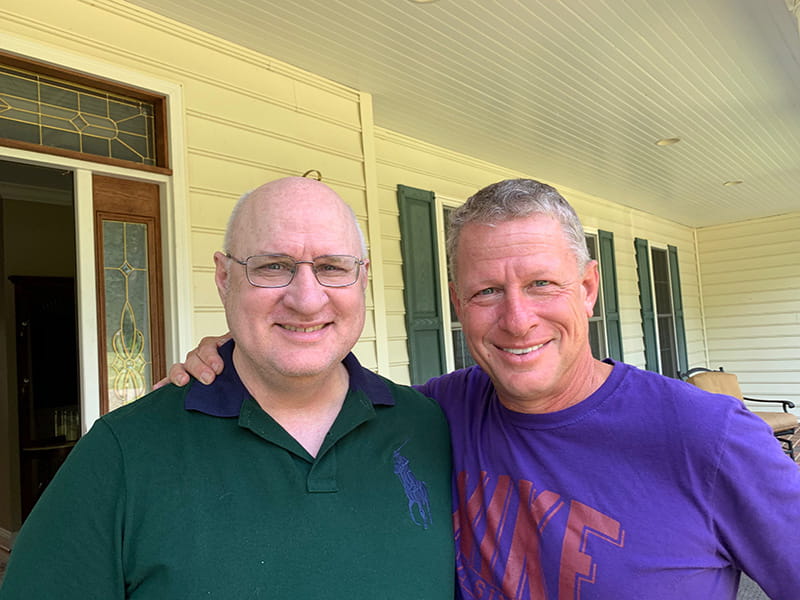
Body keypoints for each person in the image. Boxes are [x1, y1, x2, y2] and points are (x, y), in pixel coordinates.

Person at [167, 178, 800, 600]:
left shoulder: (709, 437)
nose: (517, 319)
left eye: (543, 285)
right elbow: (315, 394)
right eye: (487, 292)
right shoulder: (431, 414)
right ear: (457, 304)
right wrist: (237, 355)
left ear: (588, 288)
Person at [0, 177, 455, 599]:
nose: (306, 298)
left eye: (332, 267)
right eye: (273, 266)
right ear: (223, 277)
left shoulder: (432, 426)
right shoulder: (123, 452)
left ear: (363, 277)